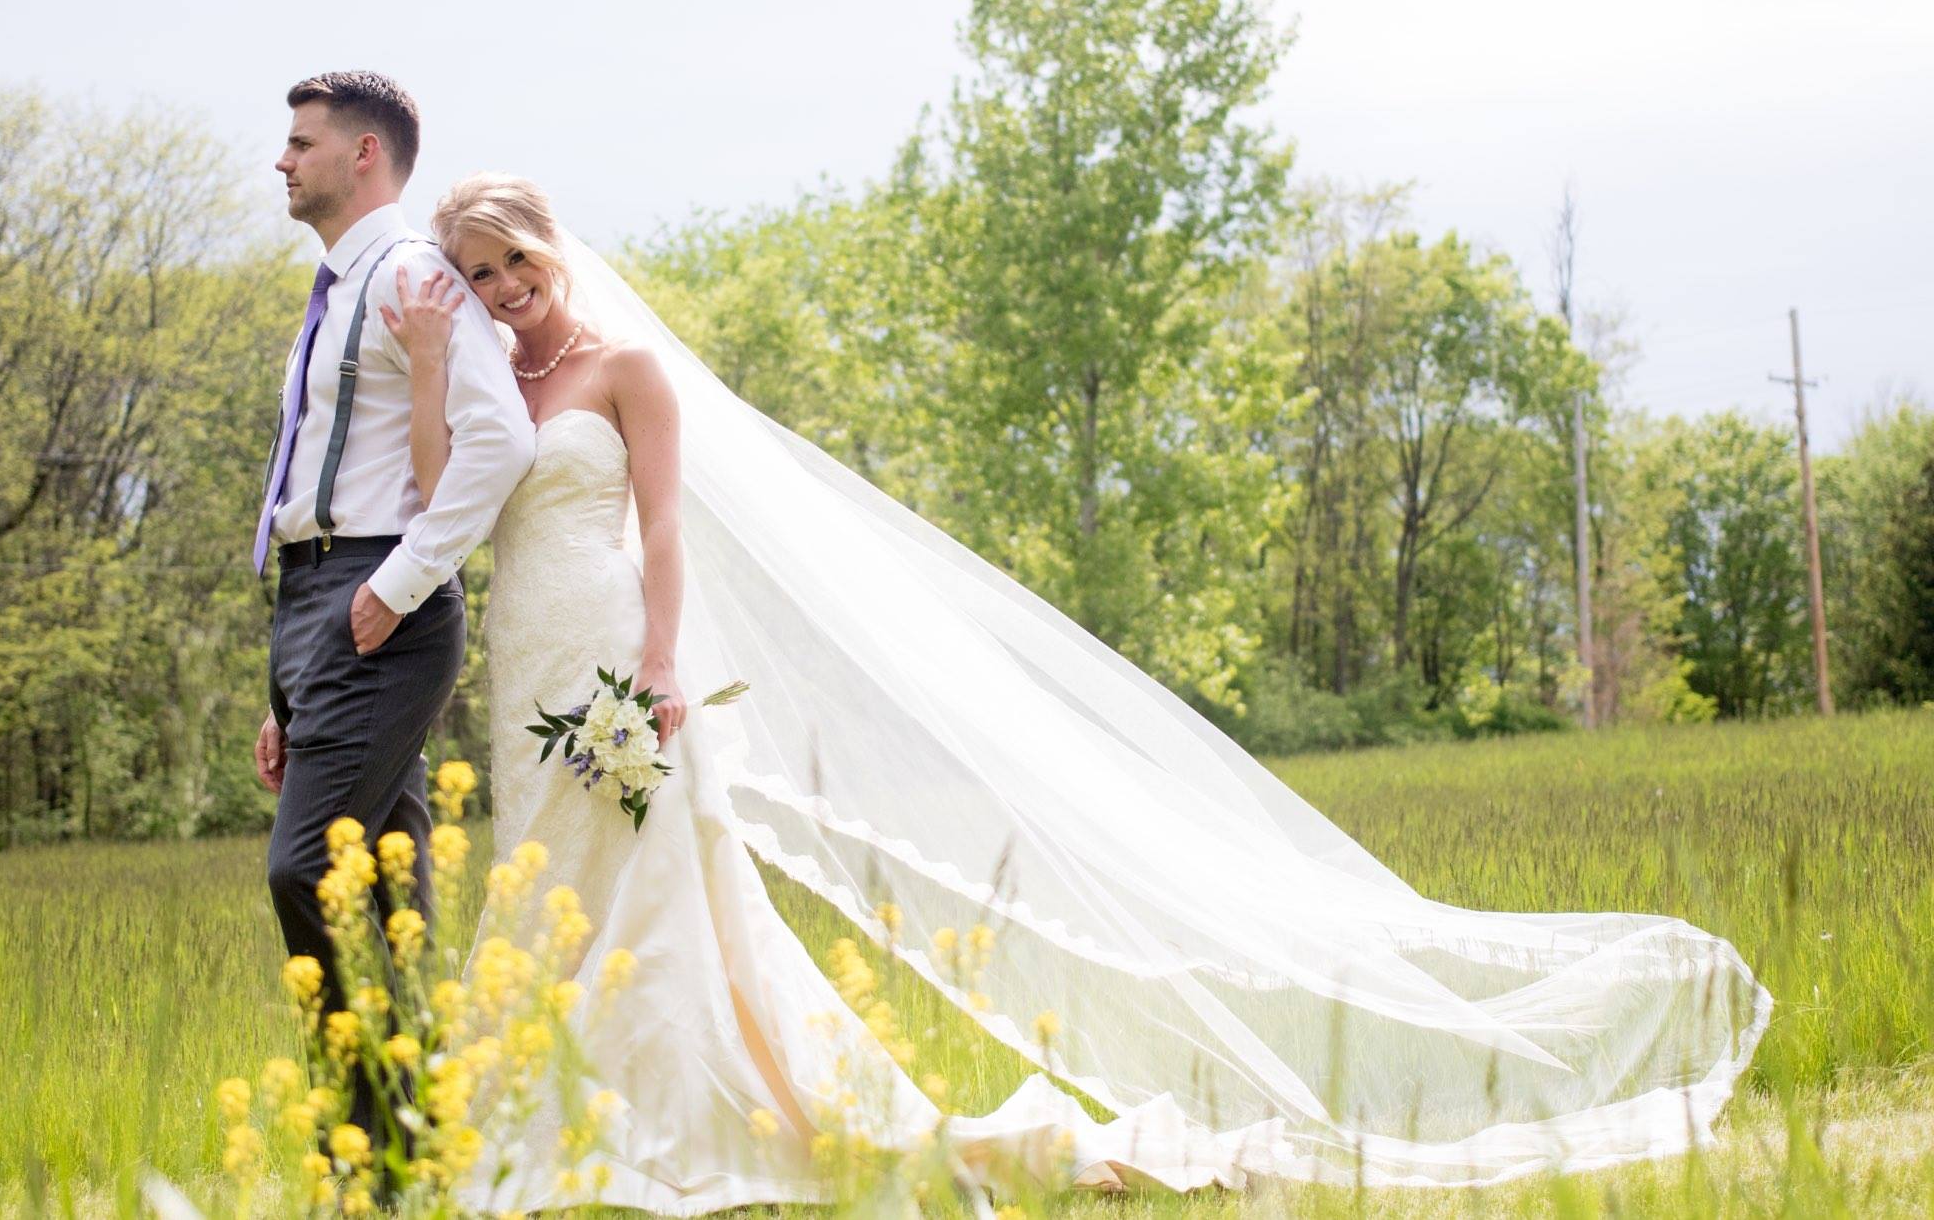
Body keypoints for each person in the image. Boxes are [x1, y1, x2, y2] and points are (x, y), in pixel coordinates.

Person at [379, 172, 1771, 1209]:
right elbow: (444, 494)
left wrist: (669, 662)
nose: (505, 293)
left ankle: (676, 1116)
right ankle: (553, 1110)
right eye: (480, 278)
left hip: (622, 650)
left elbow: (666, 530)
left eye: (515, 268)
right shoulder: (494, 369)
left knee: (660, 890)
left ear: (552, 252)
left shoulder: (628, 367)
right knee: (544, 883)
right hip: (529, 668)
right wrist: (441, 360)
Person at [251, 74, 534, 1146]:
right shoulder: (330, 293)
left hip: (376, 596)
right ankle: (415, 1148)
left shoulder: (412, 277)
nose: (282, 161)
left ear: (364, 154)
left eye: (300, 142)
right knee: (391, 888)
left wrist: (400, 580)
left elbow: (500, 442)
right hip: (316, 597)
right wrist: (287, 685)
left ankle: (360, 1148)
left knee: (306, 868)